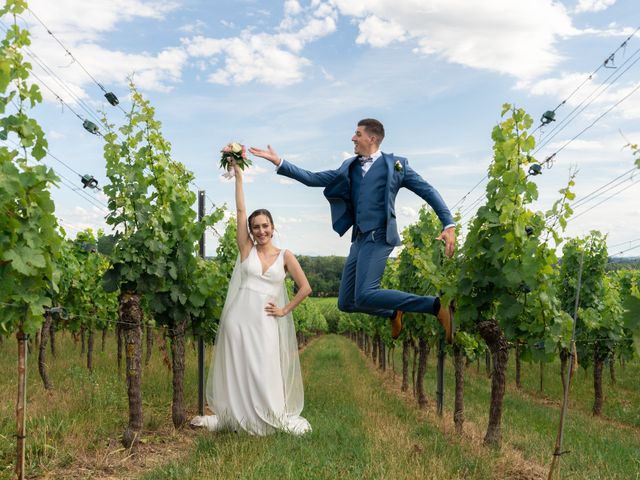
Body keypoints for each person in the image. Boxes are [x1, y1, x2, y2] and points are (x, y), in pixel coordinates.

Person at [249, 118, 456, 343]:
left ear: (372, 138)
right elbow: (312, 178)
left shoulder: (397, 165)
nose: (353, 138)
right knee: (346, 302)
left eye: (357, 134)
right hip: (358, 239)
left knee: (366, 293)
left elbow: (428, 191)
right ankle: (393, 312)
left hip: (380, 237)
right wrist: (280, 162)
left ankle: (435, 306)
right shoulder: (349, 167)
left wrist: (449, 224)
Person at [191, 159, 312, 436]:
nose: (260, 231)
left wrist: (284, 310)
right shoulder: (247, 249)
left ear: (273, 226)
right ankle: (235, 416)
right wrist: (239, 177)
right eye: (255, 227)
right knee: (238, 370)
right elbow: (241, 209)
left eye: (265, 226)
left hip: (265, 321)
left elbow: (306, 288)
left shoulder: (286, 256)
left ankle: (266, 416)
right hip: (238, 319)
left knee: (264, 368)